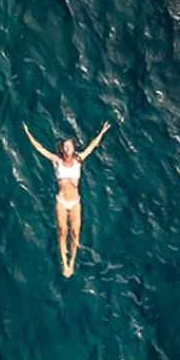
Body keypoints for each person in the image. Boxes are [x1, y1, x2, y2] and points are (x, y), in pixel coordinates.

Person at [23, 119, 111, 277]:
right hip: (61, 202)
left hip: (75, 202)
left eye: (70, 146)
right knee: (63, 231)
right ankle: (65, 263)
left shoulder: (79, 160)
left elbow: (91, 146)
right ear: (62, 150)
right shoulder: (57, 162)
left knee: (75, 233)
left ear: (73, 148)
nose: (68, 148)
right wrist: (28, 133)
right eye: (65, 146)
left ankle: (72, 261)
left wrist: (102, 132)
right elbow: (40, 149)